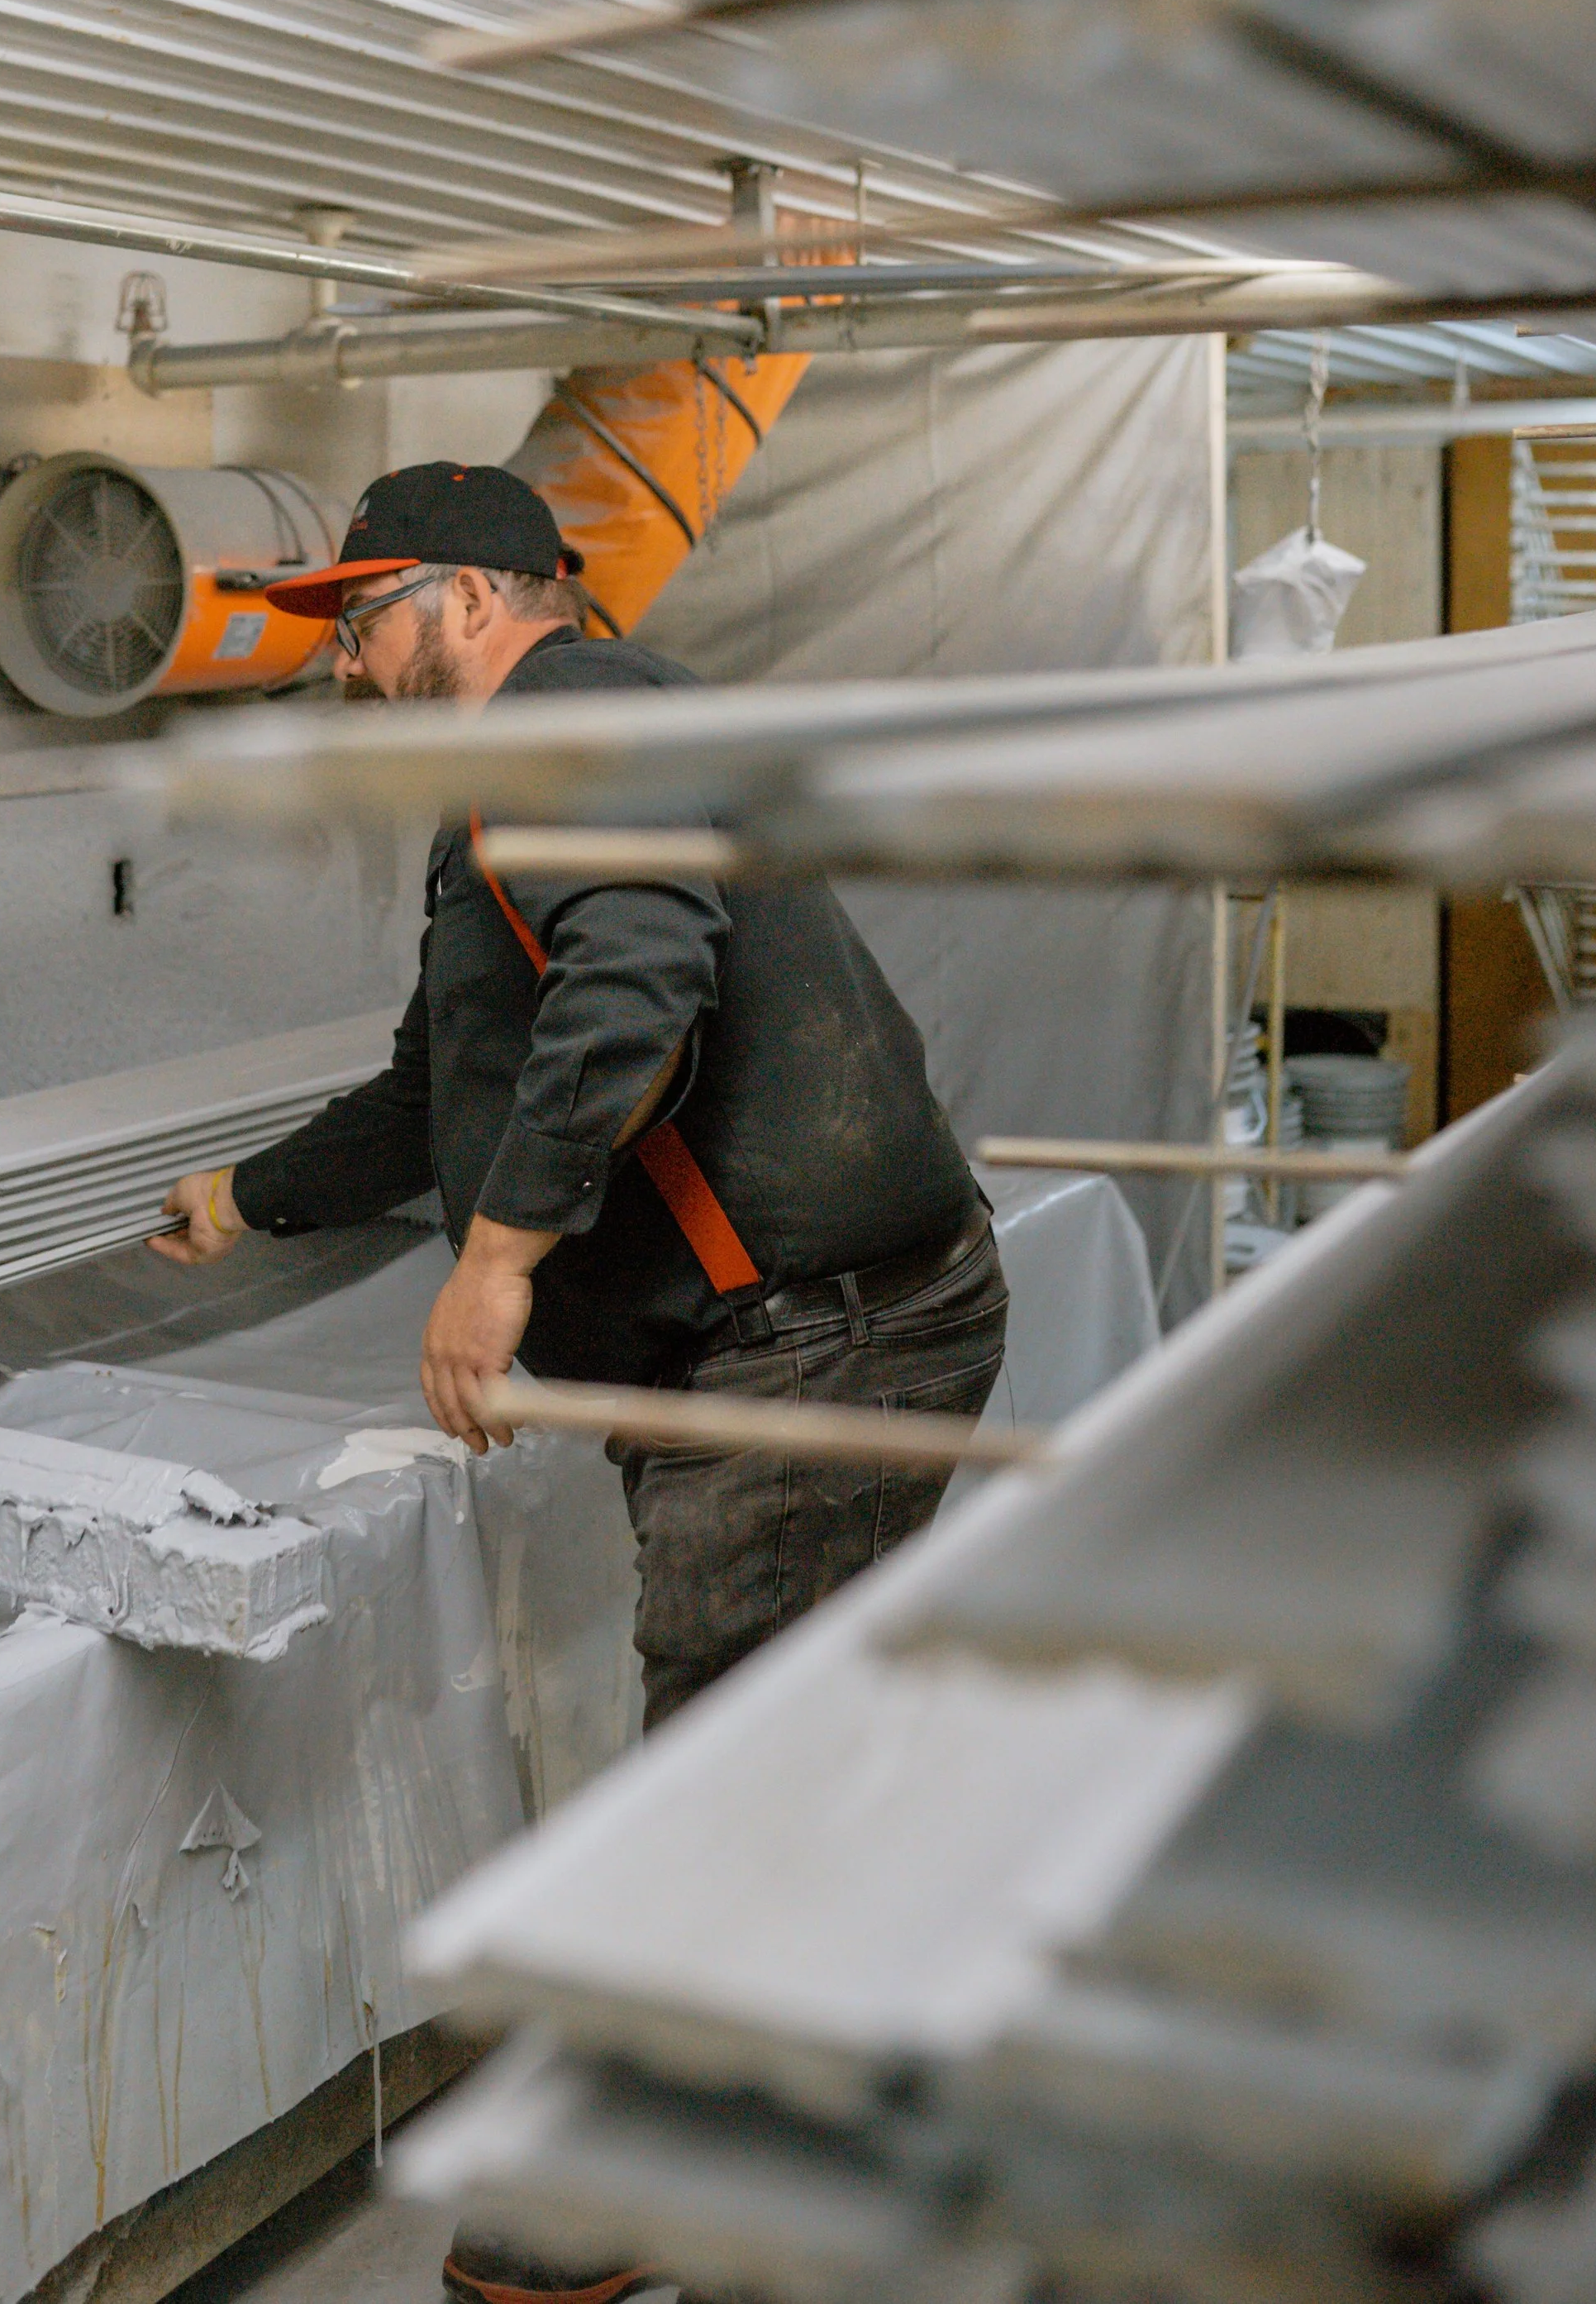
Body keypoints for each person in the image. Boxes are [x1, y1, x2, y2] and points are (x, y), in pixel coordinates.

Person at [152, 462, 1005, 2304]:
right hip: (777, 1320)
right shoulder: (529, 767)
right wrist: (247, 1197)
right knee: (763, 1741)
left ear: (465, 602)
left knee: (713, 1773)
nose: (354, 676)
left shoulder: (574, 715)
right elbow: (432, 1081)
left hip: (813, 1328)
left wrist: (498, 1259)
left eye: (364, 627)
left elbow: (637, 978)